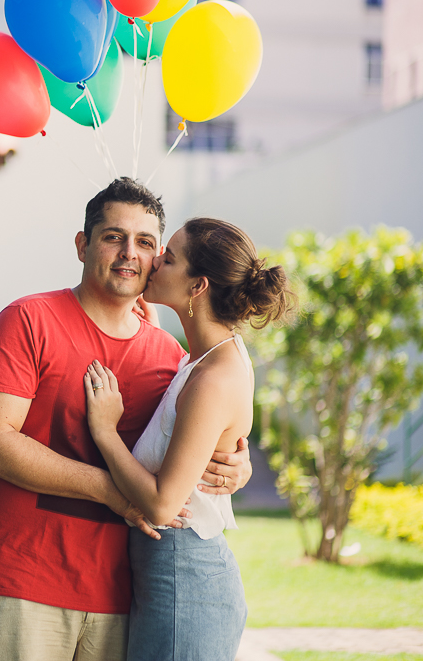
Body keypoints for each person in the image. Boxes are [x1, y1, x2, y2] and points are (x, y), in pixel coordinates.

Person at [0, 178, 253, 661]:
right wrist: (107, 490)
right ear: (83, 245)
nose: (129, 254)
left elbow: (188, 444)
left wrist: (234, 467)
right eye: (113, 237)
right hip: (24, 583)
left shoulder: (170, 356)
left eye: (146, 243)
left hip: (125, 597)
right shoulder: (28, 319)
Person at [84, 217, 290, 661]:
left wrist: (104, 432)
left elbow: (162, 505)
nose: (155, 261)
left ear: (198, 287)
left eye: (170, 258)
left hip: (185, 587)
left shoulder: (213, 380)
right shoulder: (209, 358)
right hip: (171, 580)